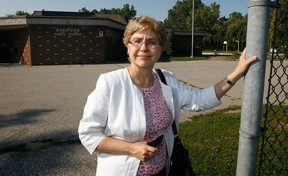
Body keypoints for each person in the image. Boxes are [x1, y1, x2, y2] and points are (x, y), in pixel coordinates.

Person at [78, 15, 257, 176]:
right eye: (137, 40)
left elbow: (200, 100)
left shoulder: (166, 79)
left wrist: (237, 72)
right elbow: (88, 134)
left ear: (160, 48)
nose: (144, 47)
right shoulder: (110, 83)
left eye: (151, 42)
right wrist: (131, 148)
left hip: (164, 170)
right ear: (127, 46)